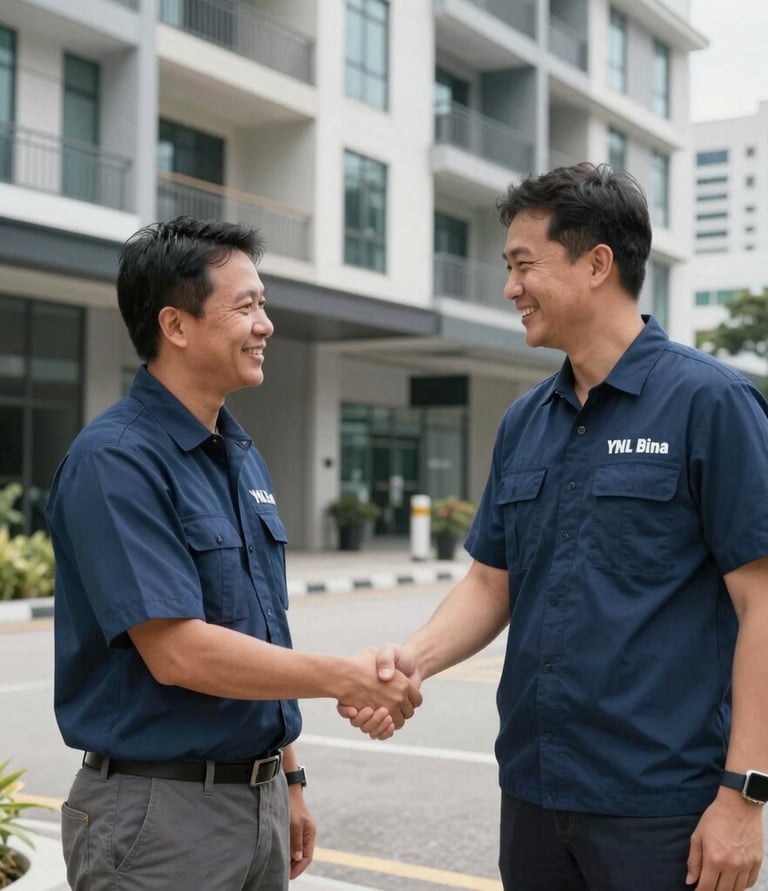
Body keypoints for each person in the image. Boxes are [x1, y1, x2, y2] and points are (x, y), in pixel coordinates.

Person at [343, 163, 768, 891]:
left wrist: (746, 793)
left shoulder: (712, 404)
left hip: (661, 808)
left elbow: (762, 603)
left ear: (597, 262)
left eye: (522, 265)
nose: (510, 288)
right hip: (536, 795)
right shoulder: (525, 421)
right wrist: (410, 661)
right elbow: (490, 581)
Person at [46, 215, 421, 891]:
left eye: (264, 304)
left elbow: (257, 628)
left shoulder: (237, 455)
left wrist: (289, 774)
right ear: (176, 325)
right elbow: (179, 650)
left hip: (258, 800)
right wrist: (344, 675)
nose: (265, 324)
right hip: (159, 816)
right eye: (245, 305)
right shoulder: (117, 461)